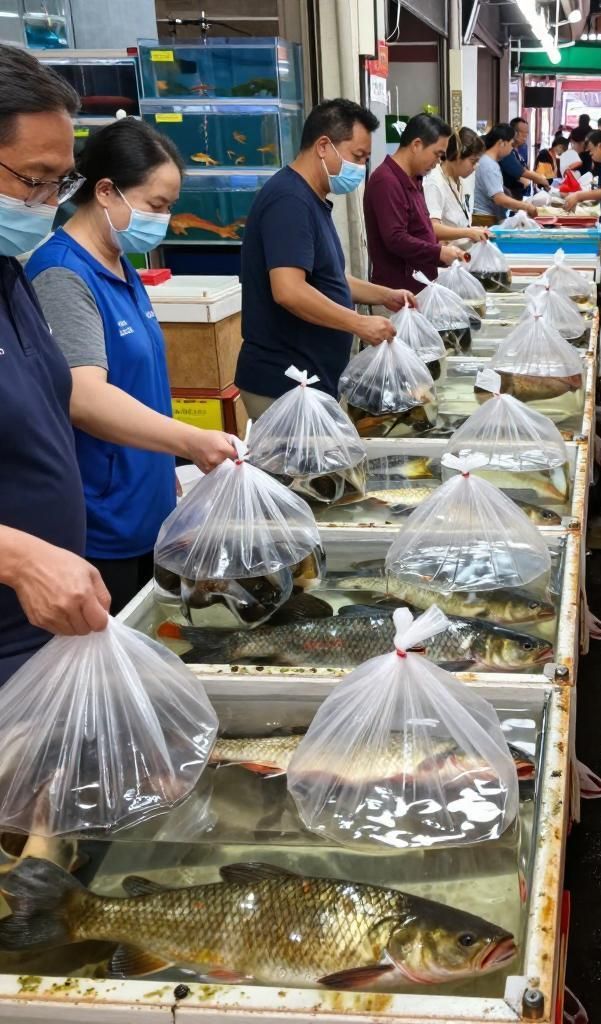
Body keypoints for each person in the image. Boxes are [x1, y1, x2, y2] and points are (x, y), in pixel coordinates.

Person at [26, 119, 235, 613]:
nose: (163, 219)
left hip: (150, 506)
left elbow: (140, 383)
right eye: (156, 205)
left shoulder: (119, 264)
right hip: (105, 522)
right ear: (105, 191)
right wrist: (190, 440)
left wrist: (175, 463)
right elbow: (84, 396)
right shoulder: (62, 274)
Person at [0, 44, 110, 684]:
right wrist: (15, 558)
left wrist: (190, 442)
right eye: (34, 178)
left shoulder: (10, 274)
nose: (50, 202)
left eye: (60, 182)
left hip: (44, 638)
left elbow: (59, 396)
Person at [236, 99, 415, 420]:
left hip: (309, 380)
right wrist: (358, 323)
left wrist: (384, 295)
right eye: (357, 156)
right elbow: (289, 290)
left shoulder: (311, 198)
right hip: (284, 383)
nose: (360, 168)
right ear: (323, 146)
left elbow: (329, 278)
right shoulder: (289, 201)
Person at [363, 113, 467, 293]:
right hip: (396, 294)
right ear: (416, 145)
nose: (437, 163)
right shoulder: (386, 181)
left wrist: (440, 251)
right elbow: (396, 238)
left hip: (420, 287)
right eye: (437, 154)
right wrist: (438, 253)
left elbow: (420, 229)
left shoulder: (414, 178)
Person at [424, 126, 491, 249]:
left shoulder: (462, 180)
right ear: (457, 156)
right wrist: (468, 232)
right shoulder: (434, 182)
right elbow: (432, 227)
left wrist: (473, 230)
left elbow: (462, 223)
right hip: (446, 259)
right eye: (472, 161)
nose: (475, 167)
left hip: (464, 254)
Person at [473, 125, 539, 226]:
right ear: (501, 143)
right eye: (511, 144)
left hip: (487, 216)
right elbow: (499, 199)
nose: (511, 149)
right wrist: (526, 206)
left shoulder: (488, 162)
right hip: (485, 218)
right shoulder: (489, 165)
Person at [499, 116, 549, 202]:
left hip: (520, 194)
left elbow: (524, 168)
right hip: (507, 194)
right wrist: (540, 179)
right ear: (514, 132)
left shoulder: (523, 148)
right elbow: (520, 171)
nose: (525, 136)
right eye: (522, 133)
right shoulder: (505, 150)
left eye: (527, 133)